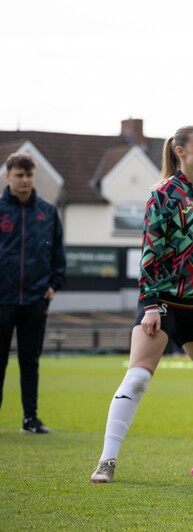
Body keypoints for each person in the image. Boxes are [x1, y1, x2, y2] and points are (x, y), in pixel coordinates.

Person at [90, 126, 193, 483]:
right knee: (139, 377)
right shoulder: (162, 194)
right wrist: (149, 305)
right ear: (180, 151)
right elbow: (151, 253)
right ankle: (106, 461)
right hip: (161, 304)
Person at [0, 152, 65, 434]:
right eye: (19, 175)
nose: (25, 180)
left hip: (36, 299)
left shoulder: (48, 211)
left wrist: (53, 284)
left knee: (30, 360)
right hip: (2, 299)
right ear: (8, 177)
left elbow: (58, 253)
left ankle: (30, 419)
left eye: (29, 175)